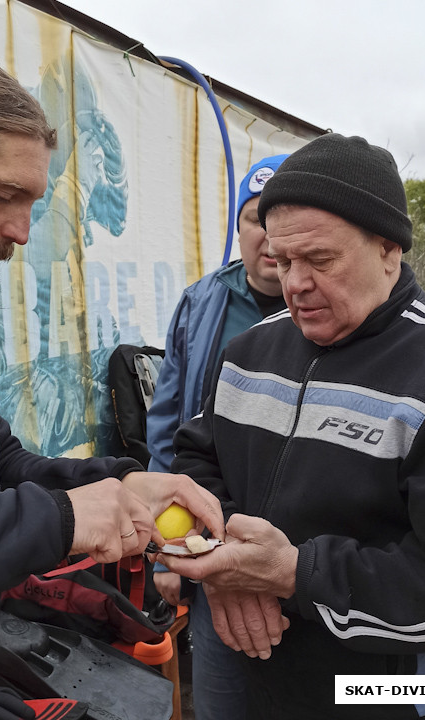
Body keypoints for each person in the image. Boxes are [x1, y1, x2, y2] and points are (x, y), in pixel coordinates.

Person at [0, 45, 224, 720]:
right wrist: (58, 519)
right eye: (3, 195)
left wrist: (115, 488)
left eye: (33, 202)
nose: (21, 232)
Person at [162, 133, 425, 719]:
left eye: (320, 260)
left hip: (395, 692)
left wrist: (295, 574)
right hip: (255, 666)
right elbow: (198, 463)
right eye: (283, 262)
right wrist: (227, 562)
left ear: (389, 249)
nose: (295, 284)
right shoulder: (249, 351)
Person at [147, 154, 288, 720]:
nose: (271, 237)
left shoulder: (334, 313)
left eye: (285, 219)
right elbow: (167, 428)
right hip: (212, 551)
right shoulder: (202, 302)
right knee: (220, 698)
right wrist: (165, 549)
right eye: (257, 218)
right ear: (239, 227)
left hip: (299, 561)